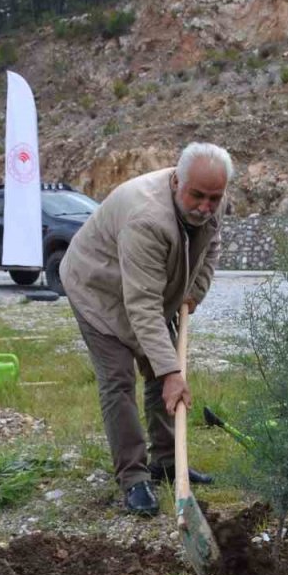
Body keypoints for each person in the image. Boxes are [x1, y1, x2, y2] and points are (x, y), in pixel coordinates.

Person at [60, 143, 232, 515]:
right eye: (197, 196)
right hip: (98, 290)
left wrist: (193, 293)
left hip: (146, 290)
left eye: (213, 199)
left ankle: (167, 462)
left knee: (161, 370)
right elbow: (140, 306)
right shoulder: (147, 218)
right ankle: (134, 478)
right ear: (176, 181)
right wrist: (172, 372)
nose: (205, 206)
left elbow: (211, 248)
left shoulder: (211, 204)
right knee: (120, 379)